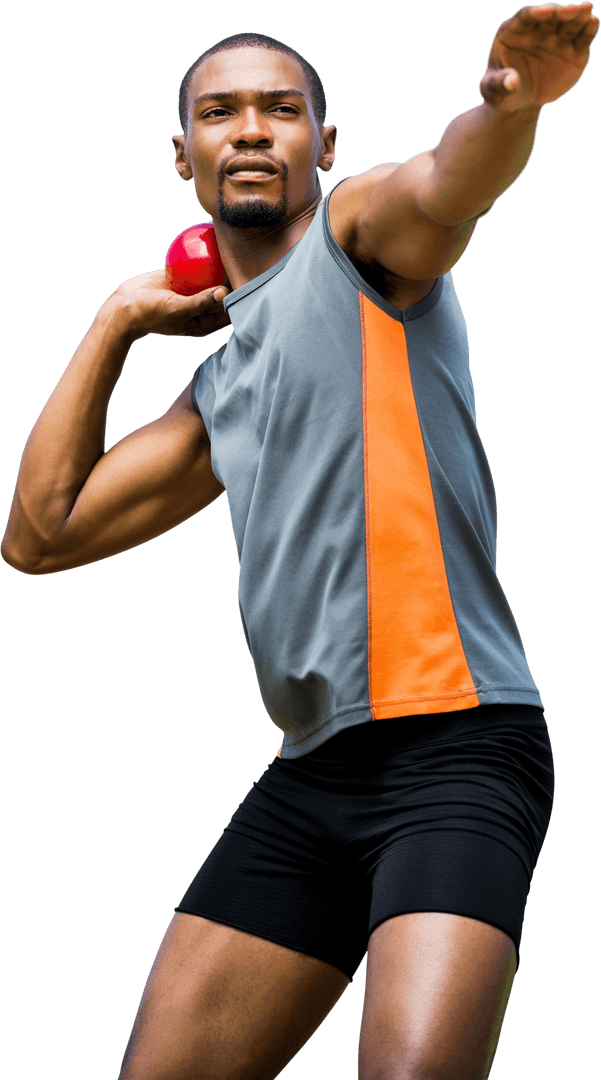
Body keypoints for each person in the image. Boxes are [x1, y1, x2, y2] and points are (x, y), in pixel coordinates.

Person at [2, 5, 597, 1078]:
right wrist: (115, 322)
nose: (250, 130)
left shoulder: (361, 242)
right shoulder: (216, 388)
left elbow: (446, 184)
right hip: (309, 778)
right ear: (184, 154)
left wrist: (511, 105)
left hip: (455, 750)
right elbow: (40, 536)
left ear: (321, 146)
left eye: (281, 111)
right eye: (219, 112)